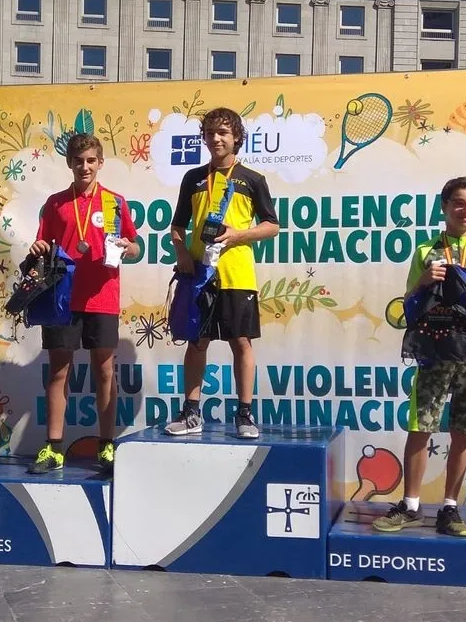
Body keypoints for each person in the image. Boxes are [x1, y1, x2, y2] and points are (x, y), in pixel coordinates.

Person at [372, 176, 466, 536]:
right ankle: (411, 505)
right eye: (459, 203)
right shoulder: (426, 250)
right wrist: (423, 280)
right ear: (444, 206)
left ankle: (450, 508)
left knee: (463, 429)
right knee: (421, 425)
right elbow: (408, 304)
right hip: (436, 346)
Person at [164, 107, 280, 439]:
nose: (216, 139)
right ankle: (191, 413)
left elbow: (272, 226)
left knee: (240, 341)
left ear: (237, 138)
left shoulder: (252, 179)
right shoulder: (193, 178)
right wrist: (182, 253)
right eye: (210, 133)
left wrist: (238, 234)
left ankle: (244, 415)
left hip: (236, 274)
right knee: (197, 341)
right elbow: (177, 226)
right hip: (200, 274)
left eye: (223, 133)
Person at [27, 133, 139, 474]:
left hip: (102, 295)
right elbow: (42, 243)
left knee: (104, 371)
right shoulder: (56, 203)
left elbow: (135, 247)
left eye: (91, 160)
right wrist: (38, 248)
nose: (85, 167)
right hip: (62, 297)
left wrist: (128, 246)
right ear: (70, 164)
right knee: (59, 371)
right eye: (79, 161)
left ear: (100, 162)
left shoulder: (115, 202)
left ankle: (107, 445)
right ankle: (54, 447)